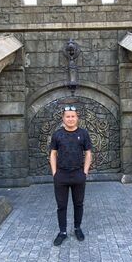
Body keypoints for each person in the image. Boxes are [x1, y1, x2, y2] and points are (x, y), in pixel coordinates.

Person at [49, 105, 92, 246]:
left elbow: (88, 153)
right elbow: (53, 154)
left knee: (78, 204)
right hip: (61, 175)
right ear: (63, 118)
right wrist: (54, 173)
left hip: (78, 174)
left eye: (73, 116)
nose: (70, 119)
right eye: (67, 116)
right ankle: (62, 232)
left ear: (77, 118)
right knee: (61, 205)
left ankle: (77, 228)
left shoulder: (83, 134)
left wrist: (85, 172)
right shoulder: (57, 135)